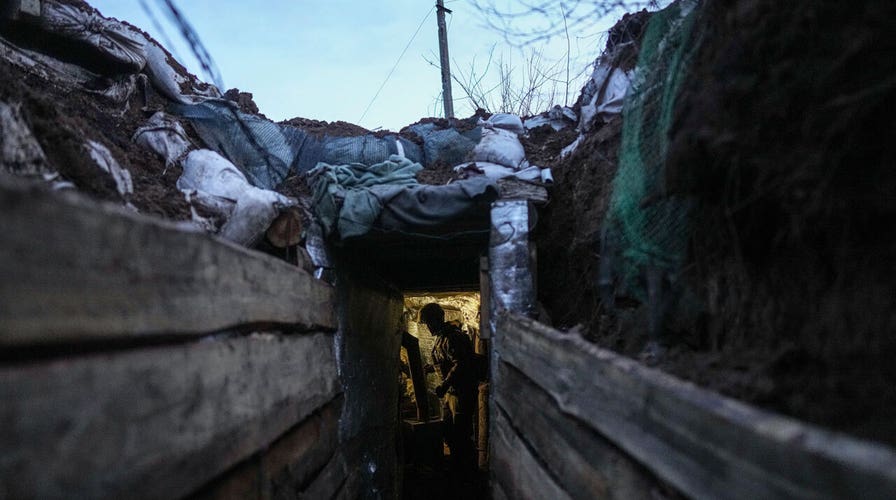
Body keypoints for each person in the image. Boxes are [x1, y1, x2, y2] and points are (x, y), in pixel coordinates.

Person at [420, 302, 477, 478]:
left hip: (461, 392)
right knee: (449, 431)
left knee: (461, 432)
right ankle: (456, 466)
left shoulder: (453, 337)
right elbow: (445, 360)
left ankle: (467, 472)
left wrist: (444, 384)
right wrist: (431, 367)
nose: (428, 327)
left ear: (437, 320)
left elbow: (461, 363)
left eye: (429, 322)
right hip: (452, 393)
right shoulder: (442, 338)